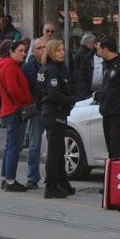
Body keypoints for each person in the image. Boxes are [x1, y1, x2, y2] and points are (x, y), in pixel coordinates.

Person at [37, 40, 76, 199]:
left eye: (63, 50)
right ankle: (51, 186)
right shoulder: (52, 70)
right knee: (55, 152)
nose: (62, 52)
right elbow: (52, 94)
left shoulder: (46, 69)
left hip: (50, 113)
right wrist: (70, 100)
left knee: (59, 150)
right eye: (59, 50)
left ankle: (61, 182)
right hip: (54, 113)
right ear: (52, 52)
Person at [0, 40, 32, 192]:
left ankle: (6, 178)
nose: (24, 54)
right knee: (14, 146)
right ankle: (10, 180)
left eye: (24, 51)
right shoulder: (10, 66)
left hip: (9, 110)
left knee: (10, 145)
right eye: (21, 50)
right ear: (11, 51)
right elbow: (14, 90)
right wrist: (27, 101)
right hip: (14, 110)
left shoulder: (5, 65)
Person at [22, 37, 49, 189]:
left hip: (51, 110)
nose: (42, 50)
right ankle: (32, 177)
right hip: (36, 110)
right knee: (34, 144)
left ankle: (52, 176)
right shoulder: (28, 67)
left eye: (45, 47)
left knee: (52, 145)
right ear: (33, 51)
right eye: (39, 48)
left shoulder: (54, 64)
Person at [72, 33, 96, 100]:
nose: (94, 45)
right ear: (88, 43)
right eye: (93, 43)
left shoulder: (83, 51)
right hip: (82, 86)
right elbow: (82, 72)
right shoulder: (84, 53)